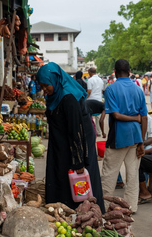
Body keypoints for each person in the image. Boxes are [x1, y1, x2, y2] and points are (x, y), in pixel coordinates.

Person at [36, 63, 104, 212]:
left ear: (55, 80)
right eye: (41, 86)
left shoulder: (68, 98)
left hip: (76, 144)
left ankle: (80, 213)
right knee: (60, 174)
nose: (44, 90)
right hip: (62, 142)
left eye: (46, 85)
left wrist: (78, 161)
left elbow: (76, 131)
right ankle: (61, 209)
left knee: (76, 181)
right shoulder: (55, 96)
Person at [101, 59, 148, 213]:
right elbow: (144, 118)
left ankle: (105, 206)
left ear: (115, 71)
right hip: (135, 136)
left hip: (118, 137)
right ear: (129, 71)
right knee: (133, 174)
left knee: (109, 173)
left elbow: (116, 115)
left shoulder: (111, 89)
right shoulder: (138, 90)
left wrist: (134, 119)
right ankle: (131, 207)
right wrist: (141, 141)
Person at [87, 67, 105, 137]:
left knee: (90, 117)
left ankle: (92, 131)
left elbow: (89, 91)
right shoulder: (101, 80)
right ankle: (99, 132)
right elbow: (102, 90)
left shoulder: (90, 80)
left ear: (90, 72)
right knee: (98, 117)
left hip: (91, 100)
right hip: (99, 99)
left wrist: (86, 98)